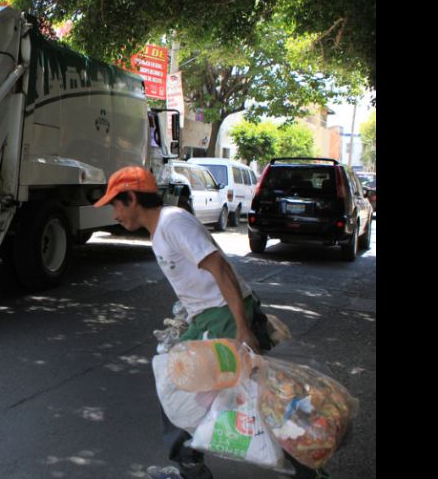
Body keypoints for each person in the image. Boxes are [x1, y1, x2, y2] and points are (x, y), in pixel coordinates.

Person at [93, 166, 325, 479]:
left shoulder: (173, 223)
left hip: (224, 317)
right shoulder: (162, 229)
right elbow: (197, 277)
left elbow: (220, 268)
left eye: (115, 204)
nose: (114, 213)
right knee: (191, 386)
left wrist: (242, 328)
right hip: (210, 316)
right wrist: (188, 312)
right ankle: (192, 467)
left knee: (247, 397)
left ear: (131, 198)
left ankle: (305, 467)